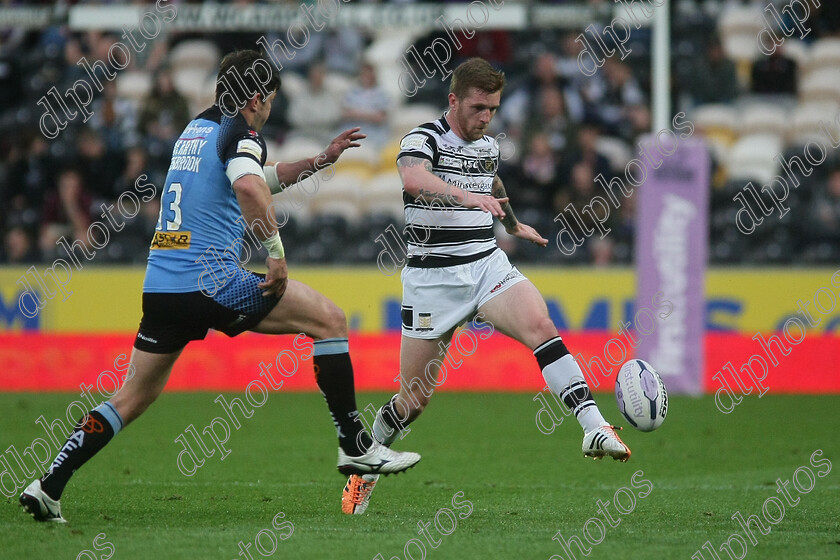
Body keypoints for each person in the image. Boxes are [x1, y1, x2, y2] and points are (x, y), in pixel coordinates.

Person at [20, 49, 420, 523]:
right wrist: (276, 254)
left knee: (130, 398)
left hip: (163, 286)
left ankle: (48, 484)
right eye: (270, 98)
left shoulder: (197, 130)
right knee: (330, 321)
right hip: (210, 282)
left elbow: (257, 178)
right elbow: (250, 189)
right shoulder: (242, 130)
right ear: (255, 97)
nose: (271, 107)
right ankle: (355, 445)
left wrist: (319, 160)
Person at [341, 58, 630, 515]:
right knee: (413, 400)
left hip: (485, 266)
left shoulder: (488, 144)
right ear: (454, 99)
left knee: (541, 325)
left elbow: (490, 181)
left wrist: (512, 224)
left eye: (492, 109)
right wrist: (466, 196)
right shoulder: (423, 138)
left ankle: (594, 425)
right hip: (432, 280)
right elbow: (414, 180)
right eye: (478, 108)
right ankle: (365, 469)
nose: (485, 119)